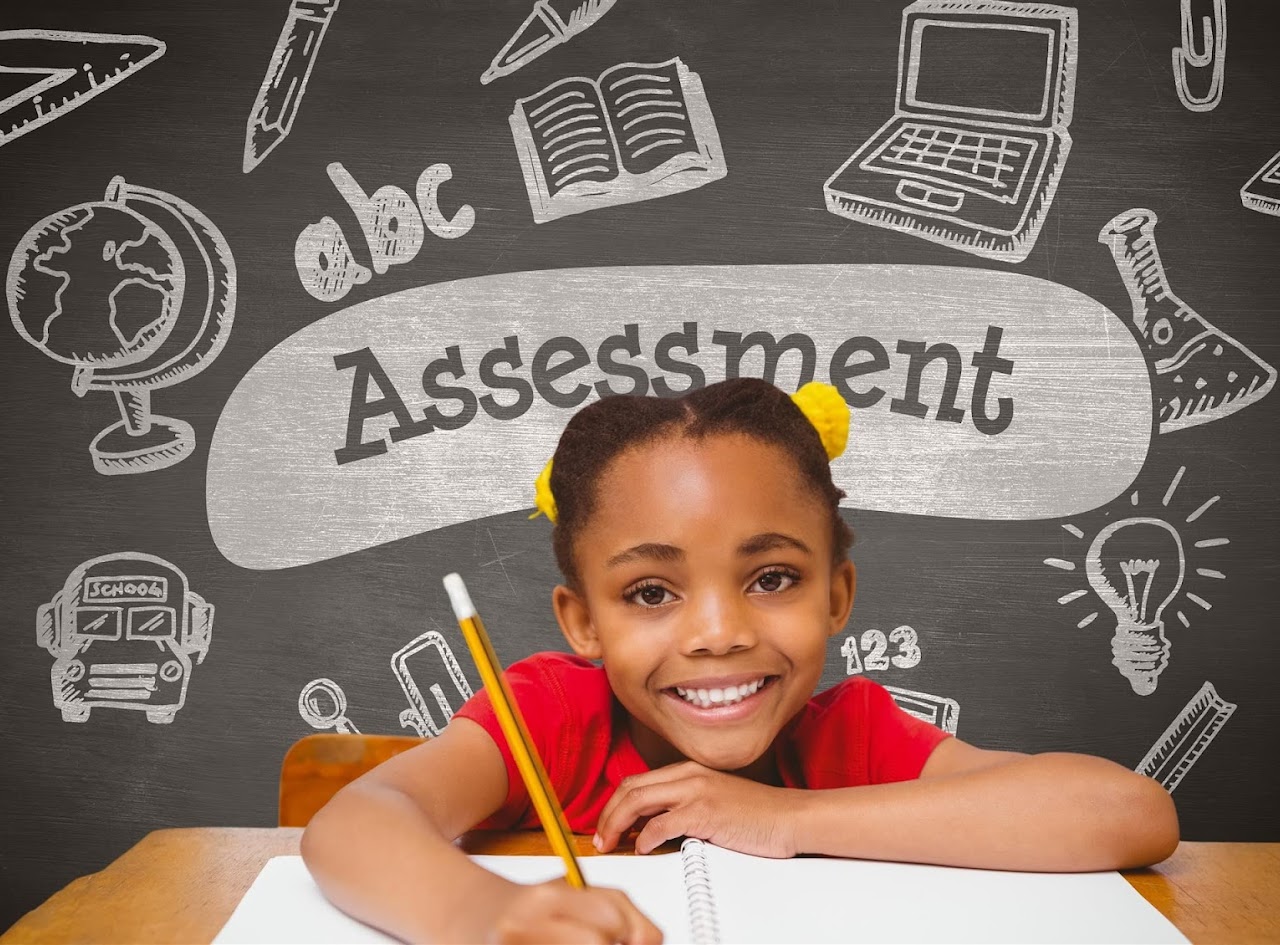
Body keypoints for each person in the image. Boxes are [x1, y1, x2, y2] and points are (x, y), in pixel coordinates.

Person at [302, 377, 1180, 944]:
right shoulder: (550, 715)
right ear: (583, 621)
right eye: (650, 591)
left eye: (771, 577)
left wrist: (778, 817)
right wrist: (485, 915)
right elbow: (356, 820)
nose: (718, 632)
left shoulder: (853, 735)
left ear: (836, 595)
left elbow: (1128, 813)